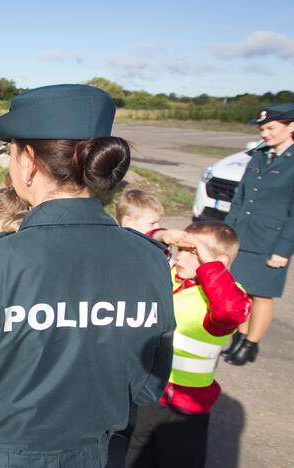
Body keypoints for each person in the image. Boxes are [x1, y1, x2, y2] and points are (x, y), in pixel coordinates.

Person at [0, 84, 176, 467]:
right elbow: (148, 385)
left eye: (12, 151)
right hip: (92, 455)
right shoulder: (150, 260)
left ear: (29, 162)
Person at [126, 221, 250, 468]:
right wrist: (163, 235)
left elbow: (230, 311)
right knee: (135, 457)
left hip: (185, 409)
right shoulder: (172, 277)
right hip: (149, 393)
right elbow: (140, 250)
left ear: (219, 262)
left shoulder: (223, 297)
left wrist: (208, 262)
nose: (181, 256)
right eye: (180, 249)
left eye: (192, 252)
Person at [223, 103, 294, 365]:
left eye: (271, 128)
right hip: (244, 235)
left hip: (271, 240)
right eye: (263, 128)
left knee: (262, 295)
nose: (265, 133)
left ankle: (251, 344)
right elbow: (240, 198)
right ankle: (240, 338)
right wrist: (229, 233)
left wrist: (283, 249)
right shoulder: (260, 155)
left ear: (291, 127)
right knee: (243, 290)